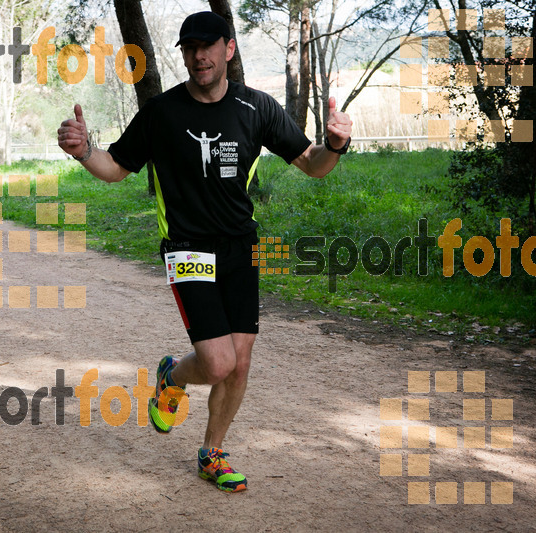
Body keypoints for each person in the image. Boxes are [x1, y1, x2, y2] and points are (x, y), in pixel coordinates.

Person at [57, 11, 352, 493]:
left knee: (242, 360)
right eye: (190, 48)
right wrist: (85, 149)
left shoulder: (257, 109)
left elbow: (312, 164)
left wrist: (337, 144)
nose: (199, 56)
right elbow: (115, 167)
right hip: (187, 247)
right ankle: (172, 374)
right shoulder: (162, 112)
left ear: (228, 49)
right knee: (217, 363)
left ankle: (212, 452)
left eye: (208, 46)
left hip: (241, 247)